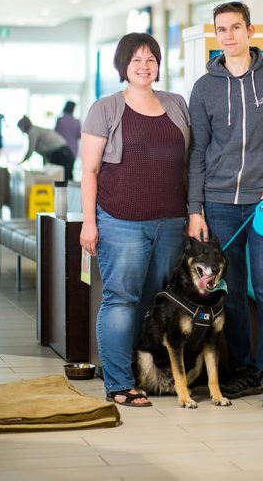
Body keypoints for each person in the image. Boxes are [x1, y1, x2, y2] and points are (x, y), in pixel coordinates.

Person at [187, 1, 263, 410]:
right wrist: (195, 209)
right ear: (216, 35)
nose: (228, 36)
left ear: (250, 31)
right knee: (233, 294)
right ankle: (244, 372)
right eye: (221, 30)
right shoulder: (204, 87)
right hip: (220, 205)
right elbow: (198, 152)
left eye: (235, 28)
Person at [79, 32, 190, 407]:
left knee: (156, 301)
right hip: (120, 221)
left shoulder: (176, 104)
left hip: (171, 222)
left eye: (151, 59)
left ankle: (153, 376)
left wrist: (194, 213)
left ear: (159, 64)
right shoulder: (106, 108)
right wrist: (89, 222)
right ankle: (118, 383)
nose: (144, 66)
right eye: (136, 60)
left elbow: (189, 165)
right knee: (121, 300)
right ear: (123, 65)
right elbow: (90, 170)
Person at [17, 115, 75, 180]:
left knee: (60, 179)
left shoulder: (32, 131)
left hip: (61, 153)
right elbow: (45, 153)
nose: (20, 130)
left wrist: (20, 162)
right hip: (64, 152)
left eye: (20, 127)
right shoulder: (36, 130)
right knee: (62, 178)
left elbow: (30, 150)